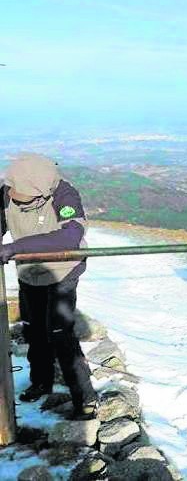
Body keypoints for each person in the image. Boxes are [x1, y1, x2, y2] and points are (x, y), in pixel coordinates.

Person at [0, 153, 98, 420]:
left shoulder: (65, 195)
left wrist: (14, 248)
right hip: (30, 272)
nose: (15, 197)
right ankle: (40, 381)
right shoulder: (10, 190)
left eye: (24, 197)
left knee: (61, 334)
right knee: (33, 330)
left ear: (41, 192)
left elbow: (71, 236)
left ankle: (85, 398)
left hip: (63, 272)